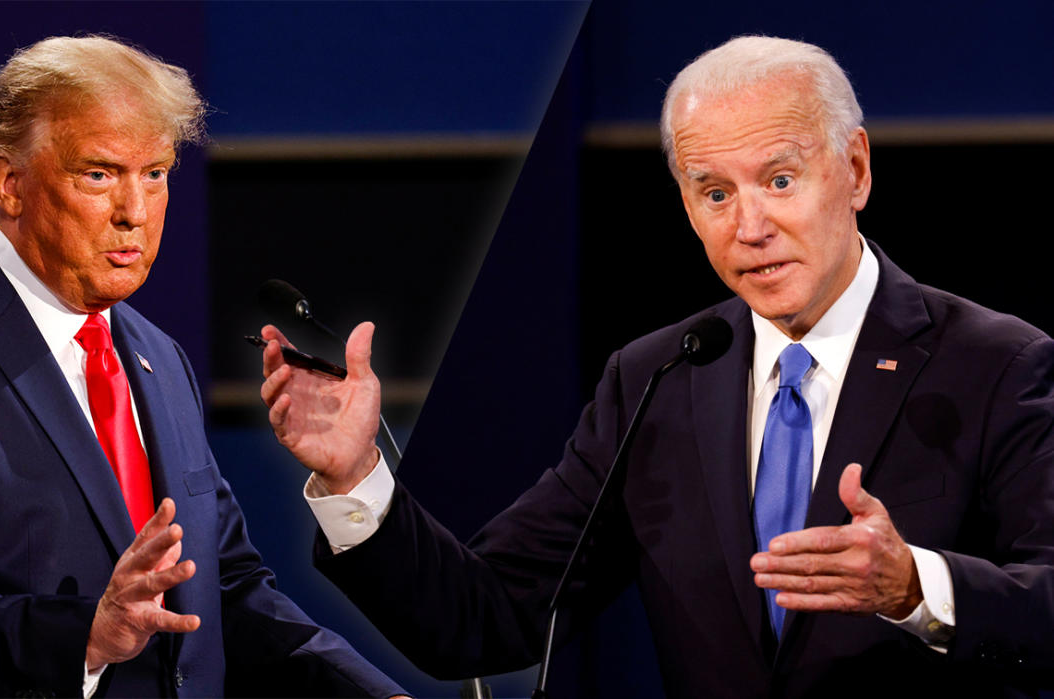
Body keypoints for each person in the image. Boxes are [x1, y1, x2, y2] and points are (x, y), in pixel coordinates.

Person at [258, 36, 1054, 697]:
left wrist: (918, 587)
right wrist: (357, 475)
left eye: (780, 180)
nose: (750, 225)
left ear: (855, 170)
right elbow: (486, 615)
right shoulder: (659, 378)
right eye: (713, 192)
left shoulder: (997, 364)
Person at [0, 35, 404, 698]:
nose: (136, 212)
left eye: (155, 173)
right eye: (100, 173)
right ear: (11, 182)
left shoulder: (158, 356)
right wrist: (85, 637)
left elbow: (225, 588)